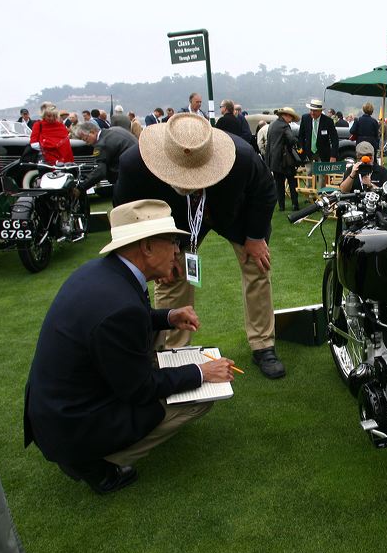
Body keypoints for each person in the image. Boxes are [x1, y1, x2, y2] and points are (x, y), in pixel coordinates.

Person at [23, 199, 235, 494]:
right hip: (75, 425)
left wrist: (168, 316)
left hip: (60, 409)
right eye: (171, 241)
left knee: (159, 343)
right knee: (200, 399)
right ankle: (100, 462)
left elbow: (128, 319)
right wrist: (201, 372)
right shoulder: (120, 308)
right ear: (146, 247)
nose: (177, 251)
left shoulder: (102, 272)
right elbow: (141, 389)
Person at [114, 113, 285, 379]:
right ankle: (174, 351)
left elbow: (265, 191)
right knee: (170, 278)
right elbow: (126, 215)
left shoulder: (242, 156)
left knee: (258, 266)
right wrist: (157, 257)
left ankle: (263, 345)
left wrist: (255, 237)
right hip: (174, 222)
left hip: (234, 215)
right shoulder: (135, 164)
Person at [72, 122, 138, 191]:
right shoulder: (115, 130)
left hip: (128, 177)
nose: (86, 143)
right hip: (139, 165)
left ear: (92, 132)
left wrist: (81, 187)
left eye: (85, 139)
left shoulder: (101, 145)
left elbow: (100, 172)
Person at [266, 106, 302, 211]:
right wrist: (297, 142)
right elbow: (291, 139)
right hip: (285, 161)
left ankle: (281, 206)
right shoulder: (285, 126)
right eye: (291, 117)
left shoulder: (272, 125)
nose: (291, 120)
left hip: (274, 160)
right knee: (292, 182)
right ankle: (295, 205)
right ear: (286, 115)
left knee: (279, 184)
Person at [298, 99, 338, 163]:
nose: (312, 113)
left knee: (322, 169)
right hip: (308, 154)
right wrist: (301, 151)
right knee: (309, 169)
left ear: (321, 111)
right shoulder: (305, 118)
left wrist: (333, 155)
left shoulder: (328, 121)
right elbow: (301, 136)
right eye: (311, 110)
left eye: (315, 111)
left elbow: (334, 139)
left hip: (323, 155)